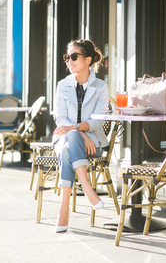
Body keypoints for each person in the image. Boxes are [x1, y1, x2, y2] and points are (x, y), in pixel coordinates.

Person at [52, 39, 109, 233]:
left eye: (74, 56)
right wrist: (76, 132)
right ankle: (86, 187)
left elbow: (98, 121)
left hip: (93, 141)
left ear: (88, 59)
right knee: (71, 139)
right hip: (66, 138)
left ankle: (64, 208)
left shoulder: (101, 86)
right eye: (67, 57)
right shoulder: (62, 85)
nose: (69, 61)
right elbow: (60, 118)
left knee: (71, 142)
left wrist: (77, 130)